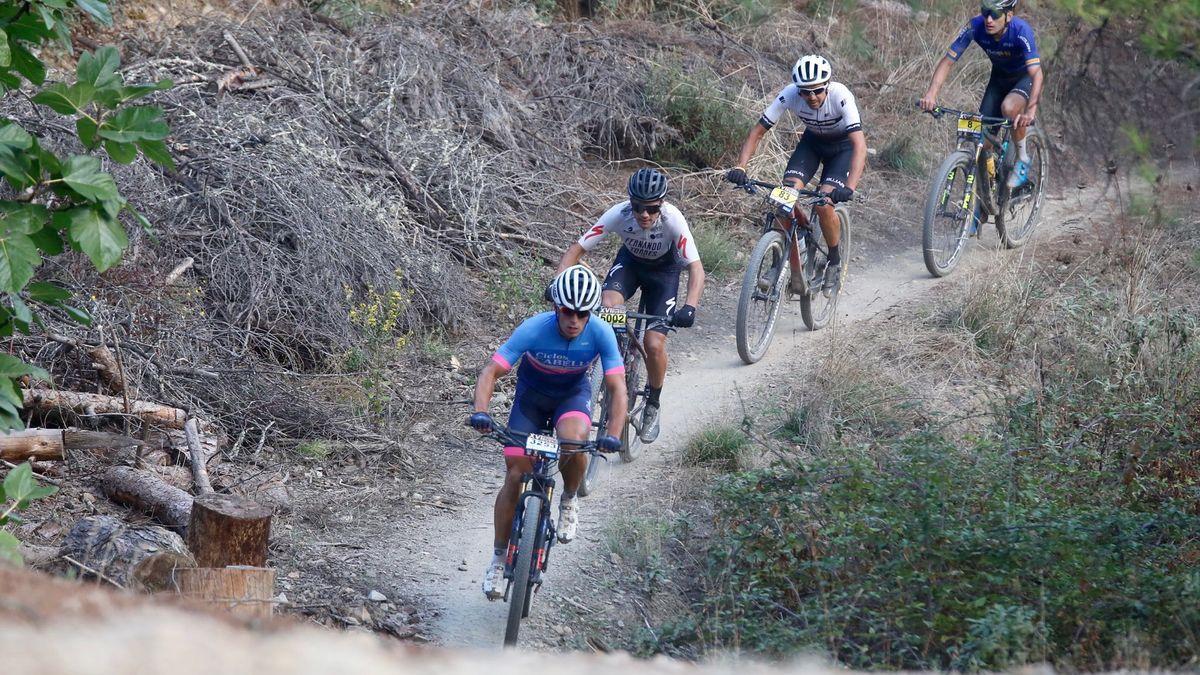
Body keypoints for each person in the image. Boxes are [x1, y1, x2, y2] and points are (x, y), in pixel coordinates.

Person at [468, 265, 626, 601]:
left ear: (591, 313)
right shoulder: (533, 329)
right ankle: (498, 558)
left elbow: (618, 387)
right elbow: (490, 372)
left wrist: (613, 432)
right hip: (531, 401)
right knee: (514, 474)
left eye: (583, 314)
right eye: (567, 311)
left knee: (576, 442)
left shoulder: (600, 332)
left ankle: (569, 499)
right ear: (556, 307)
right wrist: (481, 412)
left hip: (571, 397)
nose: (574, 320)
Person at [555, 168, 704, 444]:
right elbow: (577, 250)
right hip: (631, 265)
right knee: (609, 307)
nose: (644, 214)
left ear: (662, 204)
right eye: (638, 207)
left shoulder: (673, 220)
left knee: (654, 343)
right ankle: (615, 357)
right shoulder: (618, 214)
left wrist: (690, 307)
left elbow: (696, 269)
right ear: (630, 203)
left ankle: (653, 403)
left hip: (664, 273)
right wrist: (557, 284)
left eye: (652, 208)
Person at [725, 54, 866, 293]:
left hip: (842, 149)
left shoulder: (841, 96)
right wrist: (741, 166)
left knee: (823, 204)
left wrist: (849, 187)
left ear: (827, 85)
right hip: (811, 145)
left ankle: (834, 260)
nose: (811, 97)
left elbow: (859, 146)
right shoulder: (790, 93)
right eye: (805, 92)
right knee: (784, 198)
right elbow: (758, 131)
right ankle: (778, 261)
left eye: (817, 91)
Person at [919, 0, 1042, 190]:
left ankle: (1023, 158)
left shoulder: (1020, 30)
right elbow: (947, 61)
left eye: (995, 14)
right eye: (985, 12)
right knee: (981, 141)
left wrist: (1030, 112)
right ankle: (988, 193)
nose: (989, 19)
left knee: (1008, 108)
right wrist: (931, 95)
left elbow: (1037, 73)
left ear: (1009, 16)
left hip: (1024, 78)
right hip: (998, 79)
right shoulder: (975, 25)